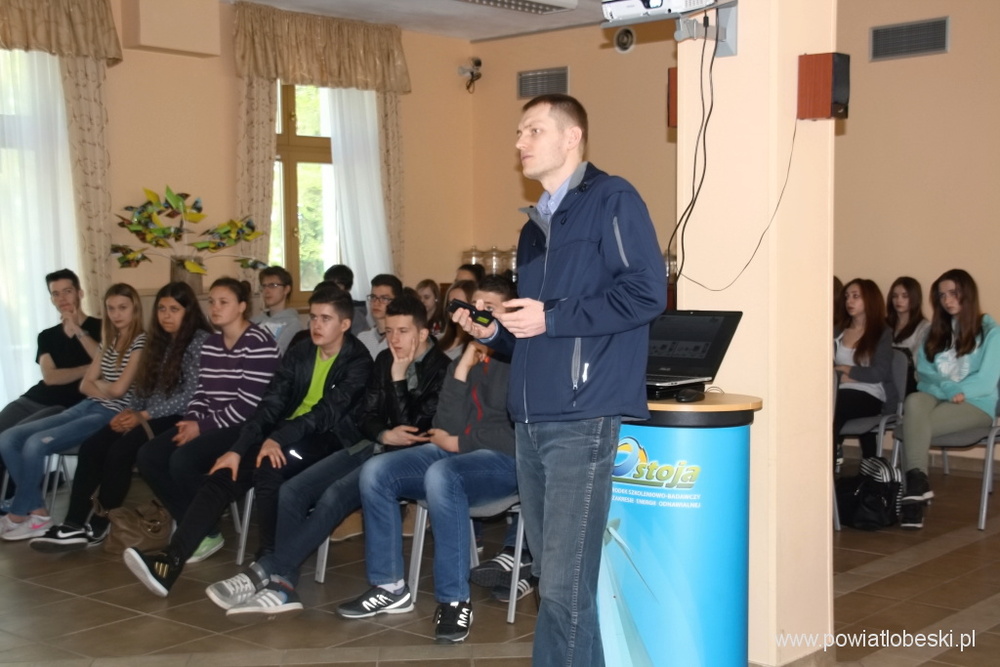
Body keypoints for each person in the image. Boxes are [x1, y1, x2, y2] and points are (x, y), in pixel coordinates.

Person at [451, 94, 666, 666]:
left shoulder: (612, 198)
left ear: (571, 138)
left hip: (582, 413)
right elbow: (536, 332)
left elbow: (646, 293)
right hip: (532, 417)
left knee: (565, 588)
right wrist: (494, 331)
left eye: (533, 130)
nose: (519, 142)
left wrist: (552, 315)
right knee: (556, 581)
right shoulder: (534, 229)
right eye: (519, 132)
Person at [201, 293, 450, 621]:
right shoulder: (383, 359)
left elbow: (414, 431)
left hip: (405, 461)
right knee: (292, 491)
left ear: (423, 333)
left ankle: (267, 572)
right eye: (389, 331)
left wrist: (399, 379)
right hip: (370, 446)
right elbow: (366, 415)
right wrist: (382, 433)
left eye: (403, 331)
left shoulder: (441, 370)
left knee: (333, 496)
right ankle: (283, 584)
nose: (394, 339)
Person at [123, 287, 372, 595]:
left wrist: (276, 439)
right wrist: (238, 449)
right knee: (223, 472)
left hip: (327, 439)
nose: (316, 325)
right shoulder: (301, 351)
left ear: (345, 324)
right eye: (313, 317)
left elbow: (324, 415)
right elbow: (270, 403)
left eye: (326, 319)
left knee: (270, 467)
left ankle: (267, 562)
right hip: (286, 432)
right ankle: (170, 562)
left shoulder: (358, 361)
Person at [337, 275, 519, 643]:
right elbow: (444, 424)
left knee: (442, 474)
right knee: (376, 471)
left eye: (490, 309)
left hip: (505, 462)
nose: (479, 315)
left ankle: (454, 600)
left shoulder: (522, 360)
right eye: (476, 308)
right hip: (454, 455)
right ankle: (390, 586)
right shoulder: (463, 358)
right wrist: (463, 369)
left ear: (510, 314)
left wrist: (460, 442)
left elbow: (519, 435)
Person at [30, 282, 211, 552]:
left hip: (180, 416)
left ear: (189, 311)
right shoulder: (159, 341)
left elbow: (191, 395)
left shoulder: (199, 341)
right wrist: (129, 412)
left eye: (174, 309)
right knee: (93, 446)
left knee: (120, 452)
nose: (166, 315)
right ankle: (74, 524)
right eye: (162, 309)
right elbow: (143, 387)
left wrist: (143, 415)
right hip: (147, 413)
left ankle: (103, 521)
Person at [135, 278, 280, 562]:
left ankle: (202, 531)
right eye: (211, 302)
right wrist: (191, 421)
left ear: (242, 307)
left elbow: (247, 406)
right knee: (149, 456)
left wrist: (200, 427)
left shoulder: (259, 343)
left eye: (223, 302)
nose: (215, 308)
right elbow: (202, 392)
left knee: (182, 461)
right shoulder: (211, 344)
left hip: (247, 428)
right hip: (211, 422)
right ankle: (199, 529)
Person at [0, 283, 146, 540]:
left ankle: (19, 514)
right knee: (8, 438)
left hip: (108, 414)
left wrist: (102, 385)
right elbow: (85, 385)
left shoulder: (141, 343)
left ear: (135, 309)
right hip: (86, 405)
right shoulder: (109, 340)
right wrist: (104, 386)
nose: (116, 314)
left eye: (122, 308)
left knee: (35, 444)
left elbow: (120, 390)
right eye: (111, 308)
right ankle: (37, 512)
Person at [899, 269, 1000, 530]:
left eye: (953, 293)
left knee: (912, 427)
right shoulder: (935, 332)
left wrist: (954, 391)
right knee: (914, 401)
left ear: (968, 293)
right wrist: (946, 388)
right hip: (938, 396)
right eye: (942, 295)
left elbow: (985, 382)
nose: (947, 300)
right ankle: (918, 484)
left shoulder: (991, 332)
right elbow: (924, 375)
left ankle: (914, 497)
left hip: (976, 403)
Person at [0, 269, 101, 505]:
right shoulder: (46, 336)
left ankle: (23, 501)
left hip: (65, 407)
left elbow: (106, 363)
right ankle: (19, 492)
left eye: (67, 291)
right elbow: (51, 378)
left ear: (80, 293)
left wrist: (78, 330)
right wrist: (91, 368)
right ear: (51, 299)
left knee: (12, 440)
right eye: (56, 294)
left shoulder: (100, 328)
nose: (62, 298)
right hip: (32, 399)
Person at [833, 279, 895, 463]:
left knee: (834, 408)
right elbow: (827, 369)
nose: (849, 301)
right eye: (847, 297)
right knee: (824, 404)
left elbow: (878, 373)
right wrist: (843, 377)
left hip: (870, 394)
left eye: (855, 296)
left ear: (869, 300)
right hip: (839, 390)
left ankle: (826, 466)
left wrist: (846, 370)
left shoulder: (882, 333)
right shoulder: (838, 331)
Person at [251, 266, 304, 354]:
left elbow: (277, 354)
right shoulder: (254, 321)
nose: (266, 291)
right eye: (264, 286)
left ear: (286, 289)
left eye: (273, 285)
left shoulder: (293, 324)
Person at [357, 274, 404, 359]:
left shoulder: (401, 338)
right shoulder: (362, 338)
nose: (376, 303)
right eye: (373, 297)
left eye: (384, 298)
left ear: (397, 302)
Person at [324, 264, 368, 335]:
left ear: (347, 288)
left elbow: (360, 339)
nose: (333, 289)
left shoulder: (356, 315)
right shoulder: (322, 308)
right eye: (330, 285)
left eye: (338, 285)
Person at [437, 280, 476, 360]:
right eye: (450, 303)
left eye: (459, 304)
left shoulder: (476, 344)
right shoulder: (439, 339)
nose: (453, 309)